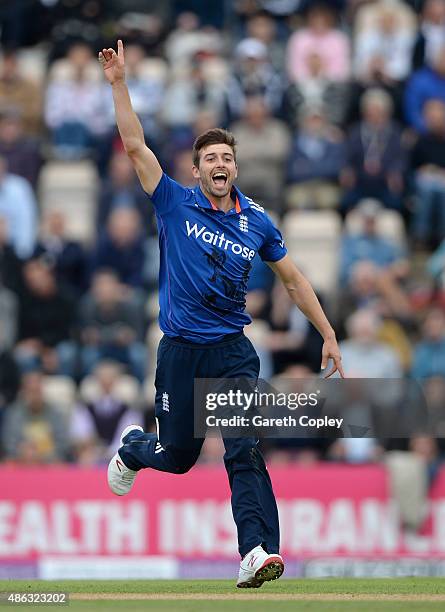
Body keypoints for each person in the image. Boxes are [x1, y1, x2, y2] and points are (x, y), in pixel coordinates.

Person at [99, 40, 344, 589]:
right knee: (178, 456)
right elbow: (135, 146)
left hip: (233, 349)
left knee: (243, 445)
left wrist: (327, 332)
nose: (220, 163)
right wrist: (119, 83)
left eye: (227, 157)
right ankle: (135, 451)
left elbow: (293, 278)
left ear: (235, 168)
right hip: (180, 351)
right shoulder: (172, 201)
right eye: (210, 157)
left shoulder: (257, 220)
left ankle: (256, 551)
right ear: (196, 168)